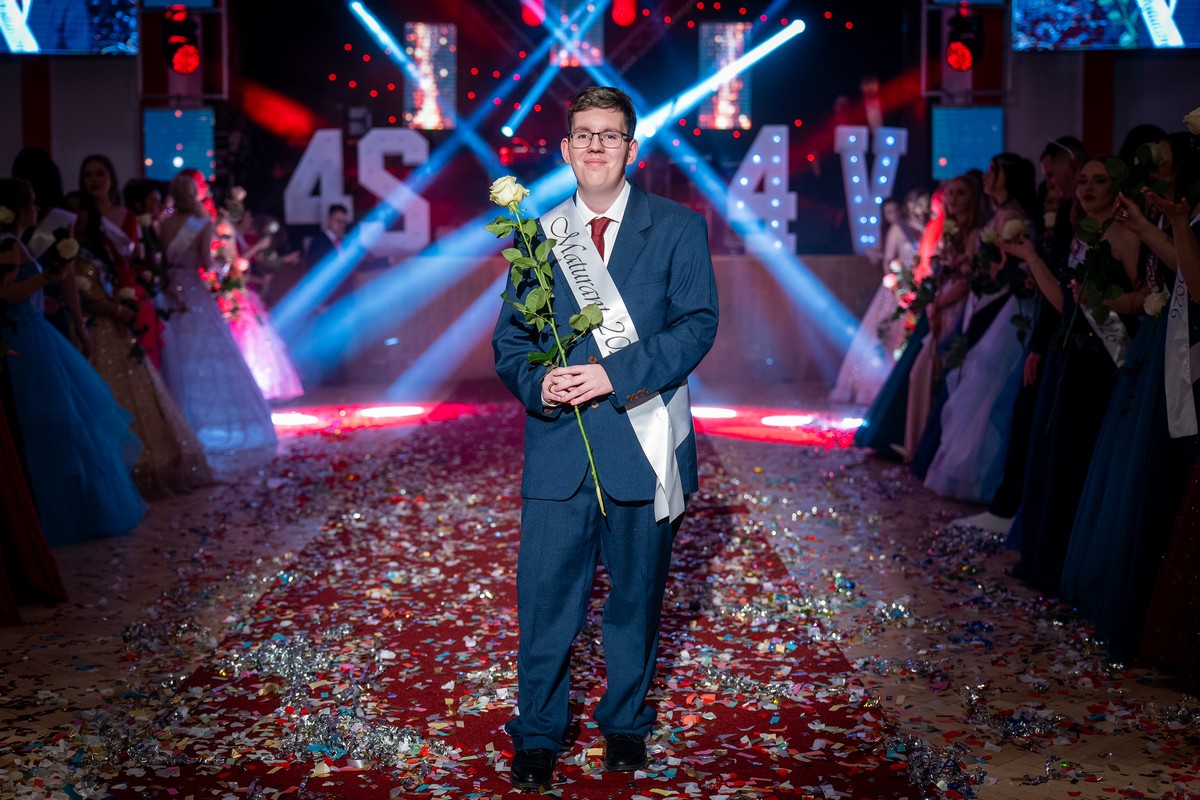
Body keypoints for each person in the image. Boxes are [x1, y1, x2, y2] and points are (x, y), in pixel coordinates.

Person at [491, 85, 718, 791]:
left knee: (636, 600)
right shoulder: (538, 236)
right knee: (545, 602)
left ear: (631, 148)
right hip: (558, 447)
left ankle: (625, 724)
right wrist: (541, 383)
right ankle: (538, 733)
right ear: (565, 150)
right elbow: (510, 344)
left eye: (610, 134)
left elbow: (697, 326)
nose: (596, 146)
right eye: (584, 134)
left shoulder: (678, 227)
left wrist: (609, 375)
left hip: (641, 442)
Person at [0, 178, 145, 546]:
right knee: (44, 423)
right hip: (24, 338)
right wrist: (46, 278)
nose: (36, 209)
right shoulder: (9, 244)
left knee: (59, 422)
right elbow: (6, 293)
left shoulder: (17, 242)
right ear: (18, 209)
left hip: (35, 332)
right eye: (31, 203)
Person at [158, 171, 277, 457]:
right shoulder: (202, 223)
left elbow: (162, 260)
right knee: (205, 352)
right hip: (194, 289)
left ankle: (177, 420)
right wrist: (222, 265)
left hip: (169, 290)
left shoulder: (164, 223)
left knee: (174, 353)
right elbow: (204, 263)